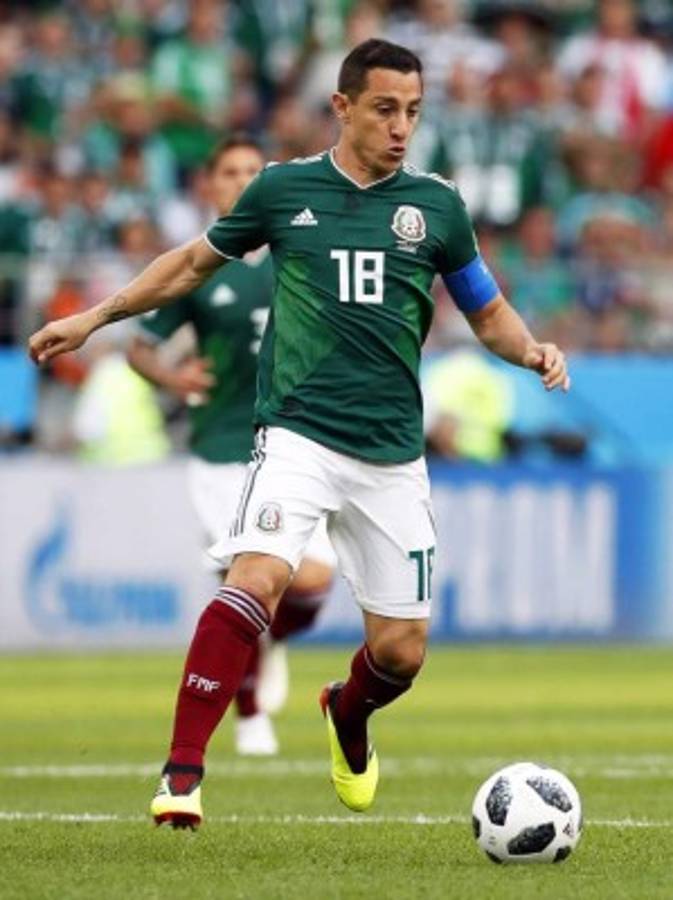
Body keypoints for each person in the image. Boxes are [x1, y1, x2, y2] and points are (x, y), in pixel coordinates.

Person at [29, 38, 570, 830]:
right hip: (297, 435)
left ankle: (346, 710)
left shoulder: (437, 206)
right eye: (384, 109)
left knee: (401, 653)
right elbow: (189, 264)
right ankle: (182, 772)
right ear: (342, 107)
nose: (400, 127)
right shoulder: (283, 190)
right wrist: (95, 317)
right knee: (255, 579)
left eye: (412, 112)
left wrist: (530, 350)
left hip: (391, 453)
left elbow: (485, 311)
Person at [126, 137, 335, 755]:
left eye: (252, 170)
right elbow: (140, 347)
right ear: (210, 186)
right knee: (240, 587)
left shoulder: (301, 253)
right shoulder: (200, 263)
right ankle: (249, 715)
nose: (243, 180)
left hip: (296, 443)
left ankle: (273, 639)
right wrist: (172, 377)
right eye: (230, 172)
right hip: (222, 447)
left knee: (313, 583)